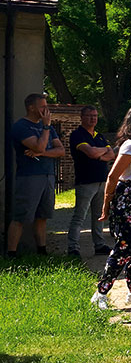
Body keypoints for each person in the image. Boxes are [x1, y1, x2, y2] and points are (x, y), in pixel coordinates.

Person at [90, 105, 131, 310]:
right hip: (127, 201)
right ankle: (101, 292)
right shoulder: (130, 146)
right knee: (123, 247)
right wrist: (106, 207)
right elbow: (113, 177)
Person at [6, 93, 65, 257]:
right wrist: (45, 128)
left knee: (42, 216)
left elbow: (60, 151)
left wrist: (43, 153)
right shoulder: (21, 127)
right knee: (21, 216)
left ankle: (42, 251)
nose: (46, 110)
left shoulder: (48, 127)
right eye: (42, 107)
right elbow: (38, 147)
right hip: (29, 176)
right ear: (31, 107)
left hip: (48, 175)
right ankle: (11, 253)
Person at [67, 105, 115, 257]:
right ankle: (73, 247)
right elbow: (91, 152)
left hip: (102, 181)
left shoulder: (99, 136)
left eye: (95, 116)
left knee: (99, 215)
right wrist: (101, 152)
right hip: (86, 181)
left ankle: (99, 245)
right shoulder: (77, 135)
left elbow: (112, 154)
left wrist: (98, 153)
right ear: (82, 117)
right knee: (80, 216)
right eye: (89, 116)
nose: (93, 118)